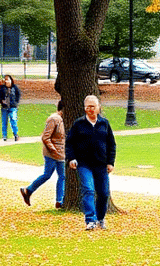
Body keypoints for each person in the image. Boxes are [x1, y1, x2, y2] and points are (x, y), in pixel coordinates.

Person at [65, 94, 116, 230]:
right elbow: (69, 143)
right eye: (87, 107)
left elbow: (111, 144)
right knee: (88, 190)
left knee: (103, 193)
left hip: (101, 164)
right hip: (84, 164)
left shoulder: (104, 123)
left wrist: (110, 162)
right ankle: (90, 220)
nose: (90, 110)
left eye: (93, 107)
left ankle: (100, 219)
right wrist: (71, 158)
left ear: (98, 107)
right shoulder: (78, 124)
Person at [21, 101, 66, 209]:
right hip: (52, 154)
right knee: (47, 174)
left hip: (61, 154)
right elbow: (45, 137)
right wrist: (53, 149)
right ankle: (28, 190)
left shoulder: (63, 120)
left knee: (62, 176)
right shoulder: (54, 119)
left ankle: (59, 200)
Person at [0, 74, 21, 141]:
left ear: (11, 80)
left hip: (12, 107)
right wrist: (2, 102)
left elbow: (18, 95)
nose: (6, 81)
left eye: (8, 79)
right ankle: (4, 136)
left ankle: (15, 134)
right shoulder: (2, 88)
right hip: (4, 107)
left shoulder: (14, 88)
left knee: (13, 120)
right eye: (5, 80)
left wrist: (15, 103)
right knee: (4, 122)